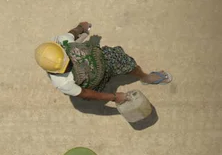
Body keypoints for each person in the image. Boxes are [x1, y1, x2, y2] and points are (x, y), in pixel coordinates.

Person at [34, 22, 172, 104]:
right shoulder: (63, 83)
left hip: (103, 59)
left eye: (68, 61)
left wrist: (82, 27)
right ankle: (105, 81)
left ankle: (145, 77)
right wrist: (114, 97)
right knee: (96, 92)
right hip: (92, 82)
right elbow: (87, 93)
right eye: (66, 67)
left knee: (128, 64)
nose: (70, 65)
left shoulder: (62, 41)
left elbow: (73, 33)